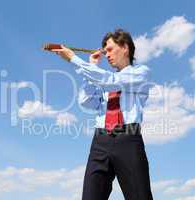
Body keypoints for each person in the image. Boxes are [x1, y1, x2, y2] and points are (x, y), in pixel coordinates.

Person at [52, 29, 153, 200]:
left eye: (111, 49)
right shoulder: (104, 80)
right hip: (100, 141)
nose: (107, 55)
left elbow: (111, 82)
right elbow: (86, 101)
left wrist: (73, 59)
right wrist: (91, 67)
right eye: (105, 51)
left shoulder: (140, 73)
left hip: (128, 139)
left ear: (125, 48)